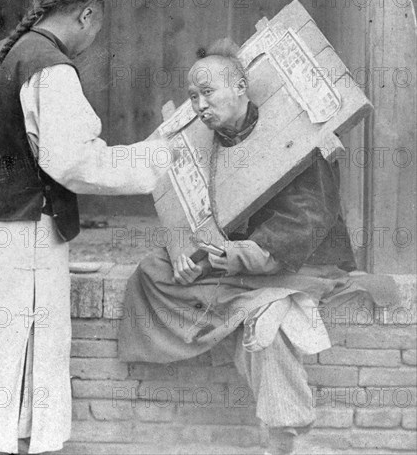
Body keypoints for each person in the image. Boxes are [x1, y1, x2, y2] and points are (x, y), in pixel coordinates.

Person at [0, 0, 171, 455]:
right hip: (20, 232)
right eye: (95, 28)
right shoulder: (50, 67)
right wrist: (154, 158)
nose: (92, 40)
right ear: (86, 15)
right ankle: (11, 443)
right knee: (24, 338)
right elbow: (73, 162)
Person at [118, 39, 397, 455]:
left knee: (269, 318)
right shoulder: (206, 143)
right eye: (193, 97)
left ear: (242, 86)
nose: (198, 106)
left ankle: (286, 434)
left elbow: (304, 224)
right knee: (151, 272)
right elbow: (189, 212)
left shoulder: (300, 145)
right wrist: (183, 252)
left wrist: (234, 256)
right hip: (238, 269)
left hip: (294, 263)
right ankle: (248, 305)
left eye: (207, 93)